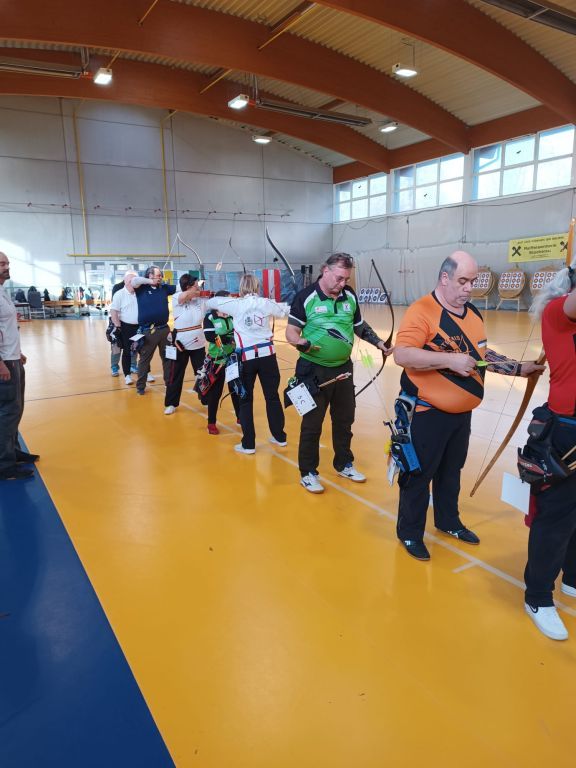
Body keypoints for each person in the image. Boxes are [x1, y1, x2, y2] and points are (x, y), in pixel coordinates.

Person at [393, 250, 544, 561]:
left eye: (473, 281)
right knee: (418, 474)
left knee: (451, 472)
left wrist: (518, 368)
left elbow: (481, 356)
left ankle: (448, 521)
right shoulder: (421, 310)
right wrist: (449, 360)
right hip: (426, 412)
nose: (469, 288)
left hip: (460, 415)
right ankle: (409, 533)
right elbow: (403, 354)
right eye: (462, 281)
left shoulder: (473, 313)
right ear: (444, 278)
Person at [286, 253, 393, 493]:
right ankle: (308, 472)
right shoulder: (306, 297)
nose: (342, 283)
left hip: (344, 368)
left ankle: (344, 463)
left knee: (344, 420)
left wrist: (379, 343)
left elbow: (359, 326)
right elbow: (291, 332)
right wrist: (301, 343)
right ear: (325, 271)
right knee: (312, 424)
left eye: (346, 279)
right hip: (312, 370)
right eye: (339, 278)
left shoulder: (349, 295)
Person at [521, 260, 576, 641]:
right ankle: (538, 596)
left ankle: (572, 577)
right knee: (555, 517)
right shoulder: (558, 312)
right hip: (566, 432)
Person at [205, 274, 288, 454]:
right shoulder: (265, 303)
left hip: (247, 358)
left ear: (241, 288)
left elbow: (212, 302)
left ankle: (248, 444)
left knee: (245, 399)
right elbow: (285, 310)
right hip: (268, 356)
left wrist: (225, 299)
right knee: (272, 397)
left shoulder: (236, 304)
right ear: (257, 287)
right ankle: (279, 437)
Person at [0, 252, 39, 481]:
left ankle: (12, 451)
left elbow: (6, 328)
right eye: (1, 264)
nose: (6, 267)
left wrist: (18, 352)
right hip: (4, 362)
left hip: (13, 358)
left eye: (7, 263)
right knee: (7, 412)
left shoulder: (3, 291)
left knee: (15, 409)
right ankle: (4, 465)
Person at [164, 274, 206, 415]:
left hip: (198, 342)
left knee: (202, 373)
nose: (199, 288)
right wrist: (198, 292)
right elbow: (185, 296)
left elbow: (215, 302)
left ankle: (206, 399)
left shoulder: (201, 299)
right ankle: (171, 403)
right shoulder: (177, 297)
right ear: (188, 287)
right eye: (196, 285)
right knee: (175, 374)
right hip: (180, 343)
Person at [131, 266, 176, 395]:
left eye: (161, 275)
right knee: (144, 360)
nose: (160, 277)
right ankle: (140, 387)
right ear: (150, 275)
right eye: (158, 275)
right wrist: (151, 281)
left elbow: (179, 288)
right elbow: (134, 281)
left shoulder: (164, 288)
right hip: (148, 331)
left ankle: (169, 384)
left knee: (168, 358)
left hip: (164, 329)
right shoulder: (141, 288)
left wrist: (197, 284)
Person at [202, 292, 240, 434]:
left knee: (235, 389)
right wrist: (227, 339)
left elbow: (239, 331)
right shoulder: (210, 317)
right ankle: (211, 423)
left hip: (232, 358)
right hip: (217, 360)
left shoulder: (232, 315)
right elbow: (210, 336)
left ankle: (240, 417)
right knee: (215, 393)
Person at [110, 271, 139, 385]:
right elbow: (114, 311)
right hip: (123, 325)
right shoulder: (118, 291)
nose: (134, 283)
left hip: (138, 326)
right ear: (126, 281)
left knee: (139, 349)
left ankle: (136, 367)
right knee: (121, 349)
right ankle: (120, 370)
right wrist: (117, 326)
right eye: (132, 281)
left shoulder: (139, 291)